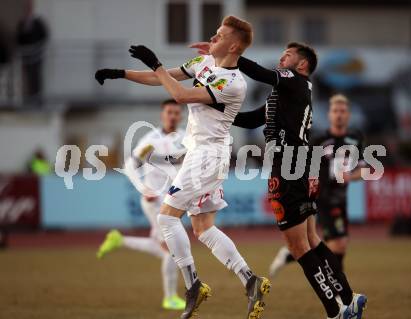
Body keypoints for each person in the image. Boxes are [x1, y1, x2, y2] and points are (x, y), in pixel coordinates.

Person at [95, 16, 271, 319]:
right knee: (203, 228)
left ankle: (193, 286)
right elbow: (163, 79)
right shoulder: (203, 62)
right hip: (202, 154)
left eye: (219, 35)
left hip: (208, 155)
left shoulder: (232, 82)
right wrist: (121, 73)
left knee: (166, 218)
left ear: (234, 45)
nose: (212, 38)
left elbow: (181, 94)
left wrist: (157, 64)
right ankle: (251, 280)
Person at [190, 42, 366, 319]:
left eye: (289, 54)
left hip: (288, 165)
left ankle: (335, 311)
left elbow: (258, 71)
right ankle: (347, 297)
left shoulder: (294, 80)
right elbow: (251, 120)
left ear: (302, 64)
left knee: (297, 246)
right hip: (300, 163)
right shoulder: (286, 92)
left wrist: (222, 54)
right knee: (311, 239)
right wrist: (218, 110)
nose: (282, 56)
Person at [96, 99, 186, 310]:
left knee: (162, 248)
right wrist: (142, 187)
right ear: (162, 115)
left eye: (176, 112)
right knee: (173, 248)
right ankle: (170, 297)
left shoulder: (185, 139)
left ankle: (119, 240)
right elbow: (129, 165)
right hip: (155, 202)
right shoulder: (150, 140)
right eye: (169, 112)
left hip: (173, 201)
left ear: (180, 116)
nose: (172, 116)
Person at [269, 94, 366, 275]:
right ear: (329, 114)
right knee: (338, 244)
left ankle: (290, 254)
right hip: (322, 197)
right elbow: (305, 168)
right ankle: (339, 293)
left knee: (336, 247)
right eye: (335, 111)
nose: (339, 115)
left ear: (348, 115)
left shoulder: (355, 139)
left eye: (343, 111)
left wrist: (350, 177)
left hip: (341, 198)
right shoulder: (318, 141)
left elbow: (363, 170)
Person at [16, 0, 49, 101]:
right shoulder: (22, 23)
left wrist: (38, 47)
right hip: (26, 56)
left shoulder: (38, 22)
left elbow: (44, 36)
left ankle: (38, 99)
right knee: (26, 78)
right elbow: (18, 38)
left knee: (36, 78)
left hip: (36, 56)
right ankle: (27, 99)